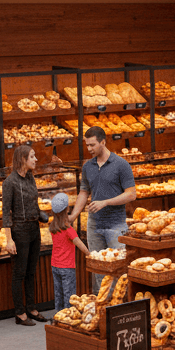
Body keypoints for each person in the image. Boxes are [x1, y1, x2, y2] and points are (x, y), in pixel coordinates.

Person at [70, 126, 136, 261]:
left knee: (118, 264)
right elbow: (84, 193)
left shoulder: (121, 165)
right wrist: (73, 216)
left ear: (103, 142)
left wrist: (105, 202)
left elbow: (131, 194)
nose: (89, 149)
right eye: (87, 145)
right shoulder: (87, 166)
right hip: (94, 224)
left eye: (92, 145)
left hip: (116, 223)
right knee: (97, 264)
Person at [2, 144, 46, 326]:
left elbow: (34, 202)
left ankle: (31, 308)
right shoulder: (10, 182)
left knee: (31, 272)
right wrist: (9, 239)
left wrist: (40, 214)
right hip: (19, 230)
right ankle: (20, 312)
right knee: (19, 273)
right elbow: (6, 212)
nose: (36, 159)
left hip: (34, 228)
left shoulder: (30, 177)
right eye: (32, 156)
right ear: (23, 159)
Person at [48, 192, 89, 312]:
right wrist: (89, 254)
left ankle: (59, 313)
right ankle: (69, 315)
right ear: (67, 209)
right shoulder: (68, 229)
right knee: (69, 294)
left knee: (59, 292)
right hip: (67, 267)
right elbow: (79, 243)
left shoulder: (53, 227)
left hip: (55, 265)